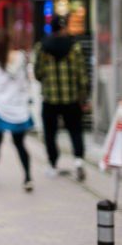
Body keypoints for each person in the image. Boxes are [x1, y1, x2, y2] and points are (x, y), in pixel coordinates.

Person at [34, 14, 90, 181]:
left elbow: (38, 73)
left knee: (50, 133)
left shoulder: (42, 47)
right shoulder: (75, 47)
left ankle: (53, 164)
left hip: (50, 99)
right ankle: (78, 161)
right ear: (64, 28)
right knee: (75, 131)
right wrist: (84, 97)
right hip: (71, 99)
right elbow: (82, 76)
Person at [0, 30, 34, 192]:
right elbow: (28, 80)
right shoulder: (21, 58)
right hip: (18, 107)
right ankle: (27, 177)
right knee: (20, 144)